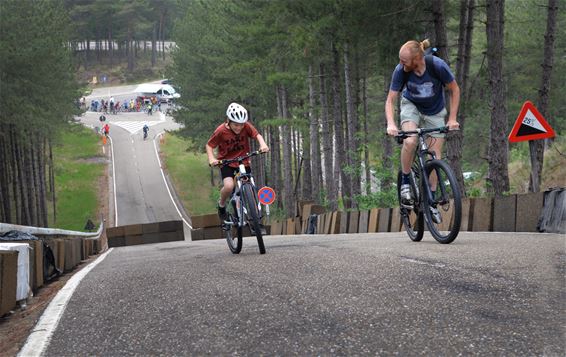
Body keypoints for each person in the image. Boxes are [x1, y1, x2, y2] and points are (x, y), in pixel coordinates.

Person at [385, 39, 460, 213]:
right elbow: (390, 99)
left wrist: (452, 118)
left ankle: (431, 199)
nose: (400, 64)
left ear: (417, 59)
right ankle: (405, 182)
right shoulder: (400, 71)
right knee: (410, 141)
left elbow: (454, 90)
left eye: (404, 61)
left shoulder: (437, 66)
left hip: (435, 111)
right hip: (412, 107)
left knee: (434, 157)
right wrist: (391, 123)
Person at [206, 103, 269, 220]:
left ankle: (255, 216)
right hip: (226, 163)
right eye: (236, 125)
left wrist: (263, 144)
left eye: (241, 125)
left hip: (243, 161)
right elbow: (209, 145)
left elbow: (257, 135)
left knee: (250, 184)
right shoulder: (221, 131)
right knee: (229, 186)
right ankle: (222, 204)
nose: (239, 128)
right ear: (228, 121)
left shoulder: (246, 126)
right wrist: (211, 158)